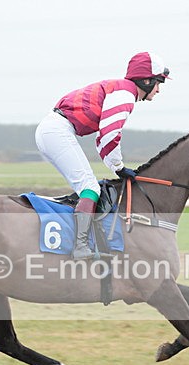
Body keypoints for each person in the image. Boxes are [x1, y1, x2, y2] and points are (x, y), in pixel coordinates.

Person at [35, 51, 170, 260]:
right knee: (90, 188)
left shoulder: (121, 90)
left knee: (86, 188)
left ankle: (81, 238)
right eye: (158, 83)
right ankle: (80, 247)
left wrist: (117, 167)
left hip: (54, 130)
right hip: (57, 131)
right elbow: (109, 134)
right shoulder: (125, 94)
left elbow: (103, 139)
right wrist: (118, 166)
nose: (159, 90)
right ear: (146, 80)